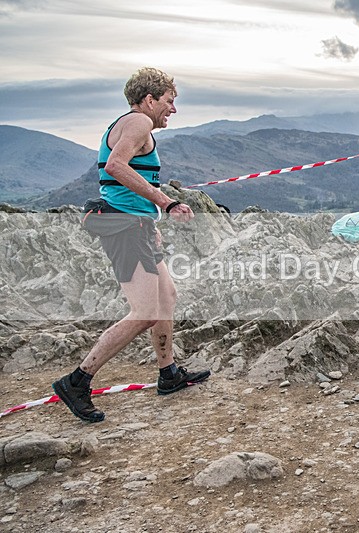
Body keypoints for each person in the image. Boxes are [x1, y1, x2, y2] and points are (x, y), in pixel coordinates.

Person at [52, 67, 210, 423]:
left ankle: (168, 374)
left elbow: (118, 179)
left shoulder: (133, 124)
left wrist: (150, 219)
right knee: (146, 312)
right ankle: (77, 381)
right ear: (150, 99)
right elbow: (116, 166)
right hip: (124, 227)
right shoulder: (139, 123)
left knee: (166, 296)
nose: (173, 109)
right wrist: (167, 203)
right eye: (170, 101)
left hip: (136, 224)